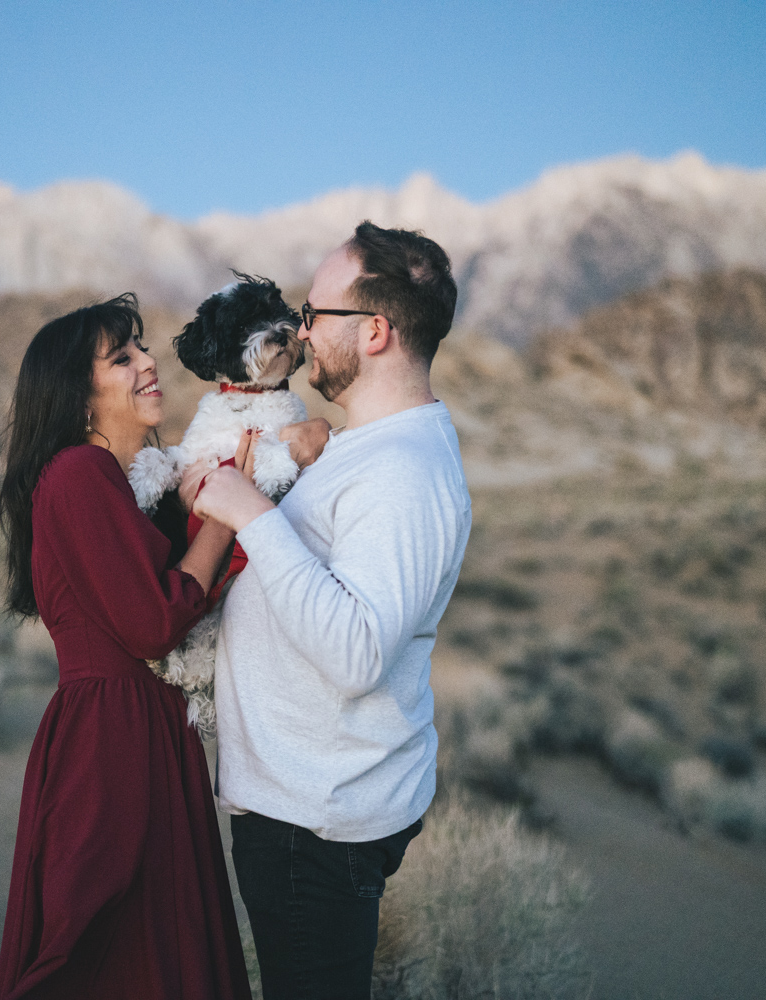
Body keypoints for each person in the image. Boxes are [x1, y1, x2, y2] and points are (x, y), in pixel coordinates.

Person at [193, 222, 472, 1000]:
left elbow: (356, 653)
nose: (301, 330)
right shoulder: (366, 446)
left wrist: (253, 517)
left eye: (316, 313)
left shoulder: (404, 474)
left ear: (376, 331)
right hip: (302, 803)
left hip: (316, 823)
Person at [0, 295, 255, 1000]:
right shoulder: (78, 474)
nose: (147, 362)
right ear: (79, 399)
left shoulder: (121, 482)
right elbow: (151, 622)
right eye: (122, 357)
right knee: (101, 945)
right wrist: (228, 515)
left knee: (149, 948)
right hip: (110, 742)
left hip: (141, 732)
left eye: (141, 347)